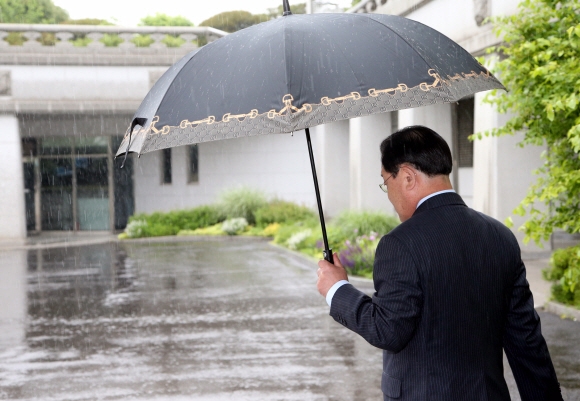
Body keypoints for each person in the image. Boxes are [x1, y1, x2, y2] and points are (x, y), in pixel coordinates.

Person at [316, 125, 563, 401]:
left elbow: (388, 330)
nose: (388, 194)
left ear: (408, 177)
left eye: (386, 182)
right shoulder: (499, 236)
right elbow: (526, 343)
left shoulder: (400, 244)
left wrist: (336, 289)